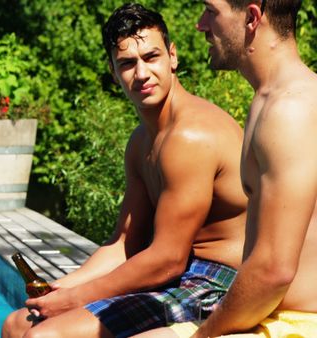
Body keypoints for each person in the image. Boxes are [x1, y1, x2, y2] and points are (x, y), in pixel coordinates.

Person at [1, 3, 248, 338]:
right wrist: (61, 289)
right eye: (128, 63)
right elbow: (123, 243)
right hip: (180, 276)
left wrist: (76, 298)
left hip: (215, 284)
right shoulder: (141, 142)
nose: (142, 73)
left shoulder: (190, 136)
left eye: (151, 57)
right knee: (17, 324)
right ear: (112, 70)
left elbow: (167, 260)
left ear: (172, 57)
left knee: (46, 336)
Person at [139, 0, 317, 337]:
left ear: (251, 17)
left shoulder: (290, 110)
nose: (201, 25)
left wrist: (202, 335)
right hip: (276, 315)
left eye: (211, 11)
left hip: (301, 323)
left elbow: (273, 271)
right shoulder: (271, 99)